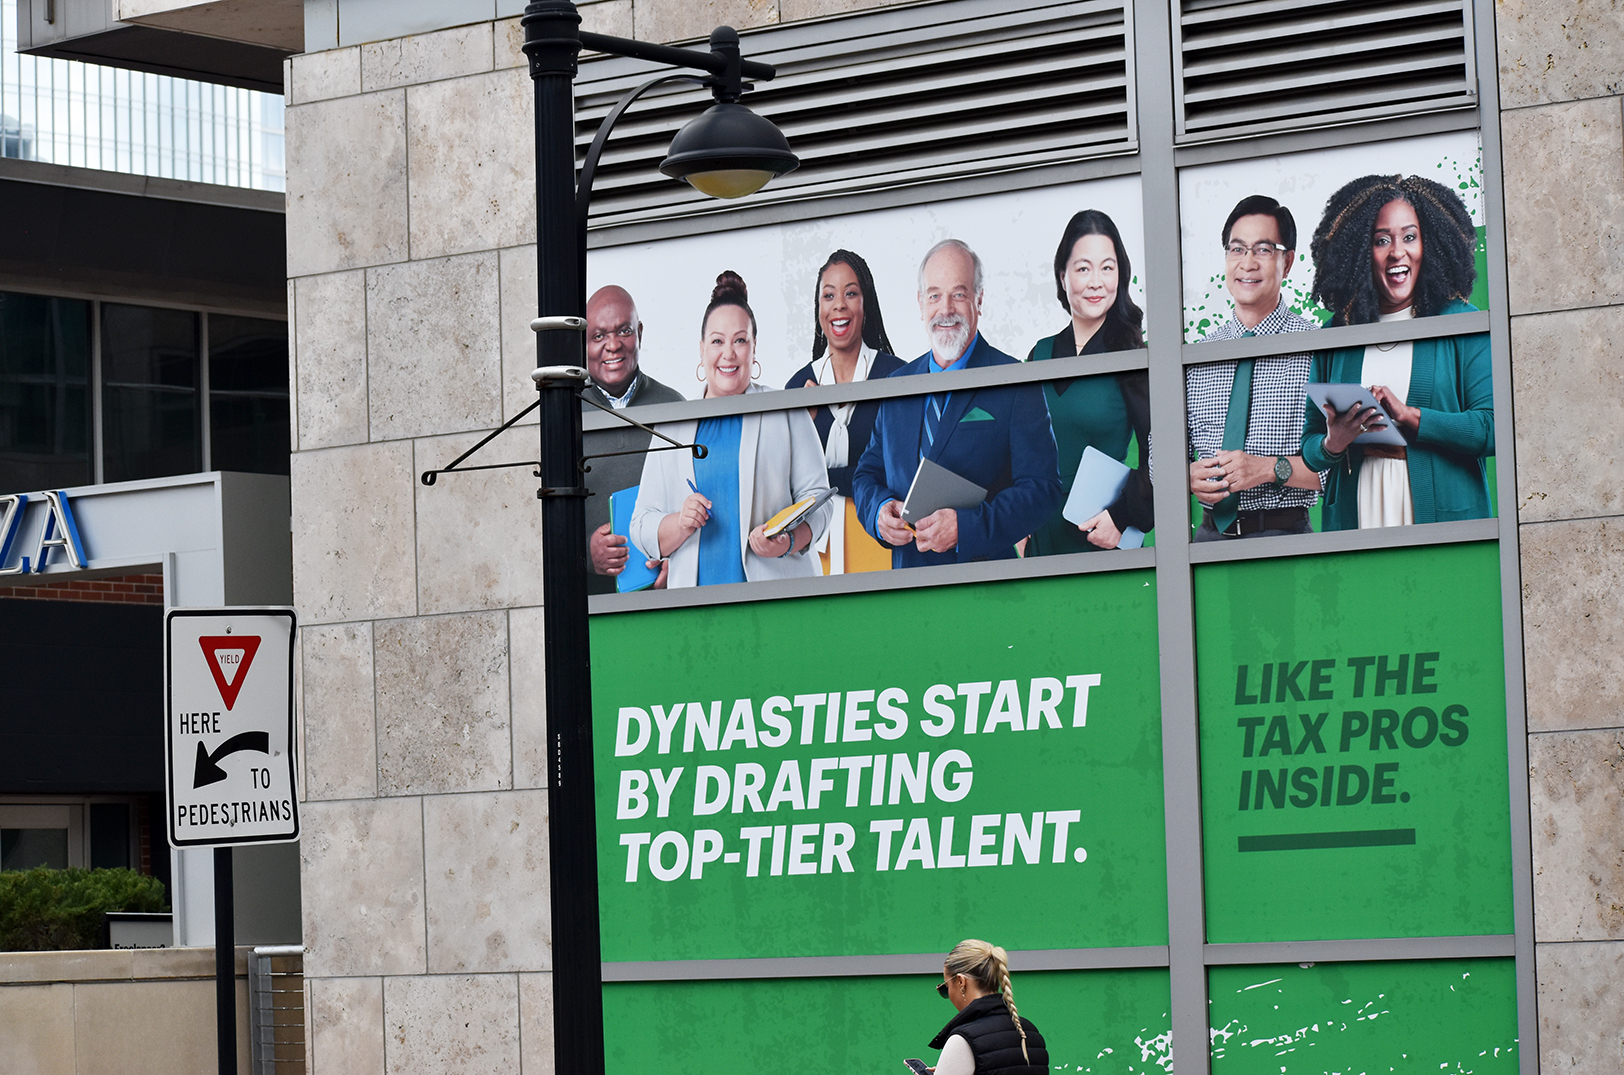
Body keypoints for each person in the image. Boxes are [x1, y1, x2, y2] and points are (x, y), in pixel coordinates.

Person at [853, 239, 1061, 569]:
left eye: (959, 294)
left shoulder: (1015, 381)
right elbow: (867, 473)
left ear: (979, 299)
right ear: (920, 303)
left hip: (985, 591)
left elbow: (1043, 489)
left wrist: (967, 527)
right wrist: (877, 510)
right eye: (934, 295)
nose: (945, 309)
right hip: (909, 589)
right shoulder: (897, 387)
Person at [1301, 174, 1493, 529]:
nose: (1397, 252)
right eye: (1381, 240)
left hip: (1442, 513)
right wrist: (1333, 442)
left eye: (1409, 237)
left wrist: (1412, 417)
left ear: (1430, 243)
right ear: (1359, 251)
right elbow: (1310, 448)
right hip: (1356, 510)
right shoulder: (1337, 331)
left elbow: (1491, 428)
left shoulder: (1462, 322)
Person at [628, 271, 832, 587]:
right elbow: (640, 526)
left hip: (776, 598)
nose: (729, 353)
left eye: (740, 340)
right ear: (701, 349)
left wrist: (788, 541)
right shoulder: (673, 424)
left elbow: (820, 501)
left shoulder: (787, 410)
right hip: (698, 609)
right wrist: (681, 523)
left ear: (754, 347)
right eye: (717, 341)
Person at [1185, 195, 1325, 540]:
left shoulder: (1318, 349)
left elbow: (1343, 465)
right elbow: (1160, 453)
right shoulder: (1197, 357)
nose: (1247, 263)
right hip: (1206, 539)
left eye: (1263, 249)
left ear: (1287, 262)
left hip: (1283, 537)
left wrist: (1268, 469)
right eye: (1237, 249)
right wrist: (1186, 474)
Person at [1024, 209, 1152, 555]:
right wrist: (1017, 527)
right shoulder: (1040, 354)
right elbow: (1015, 446)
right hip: (1041, 540)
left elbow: (1163, 454)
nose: (1096, 281)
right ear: (1062, 276)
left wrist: (1122, 517)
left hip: (1102, 535)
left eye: (1107, 268)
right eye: (1083, 268)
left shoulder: (1134, 357)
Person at [784, 249, 906, 575]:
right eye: (829, 295)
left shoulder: (898, 378)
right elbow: (779, 484)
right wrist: (801, 427)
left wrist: (832, 478)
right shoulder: (797, 387)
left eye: (851, 293)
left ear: (866, 306)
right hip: (813, 551)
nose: (839, 304)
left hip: (880, 541)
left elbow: (906, 470)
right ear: (819, 310)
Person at [579, 285, 685, 595]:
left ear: (639, 332)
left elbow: (695, 495)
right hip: (588, 603)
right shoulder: (561, 417)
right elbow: (537, 522)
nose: (612, 345)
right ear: (582, 343)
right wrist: (586, 553)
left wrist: (676, 555)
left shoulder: (673, 407)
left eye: (623, 331)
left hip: (665, 594)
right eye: (598, 336)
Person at [927, 939, 1049, 1075]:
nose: (948, 994)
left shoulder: (962, 1041)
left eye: (946, 988)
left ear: (961, 982)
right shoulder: (1030, 1033)